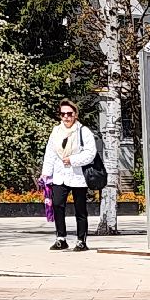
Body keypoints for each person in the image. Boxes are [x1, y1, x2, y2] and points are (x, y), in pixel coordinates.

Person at [40, 99, 98, 251]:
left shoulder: (83, 131)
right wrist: (46, 174)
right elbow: (50, 153)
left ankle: (81, 240)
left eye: (69, 114)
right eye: (63, 114)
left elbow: (90, 153)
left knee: (80, 209)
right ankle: (61, 238)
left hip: (78, 176)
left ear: (75, 115)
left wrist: (73, 160)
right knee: (58, 204)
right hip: (60, 175)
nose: (66, 117)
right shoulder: (56, 131)